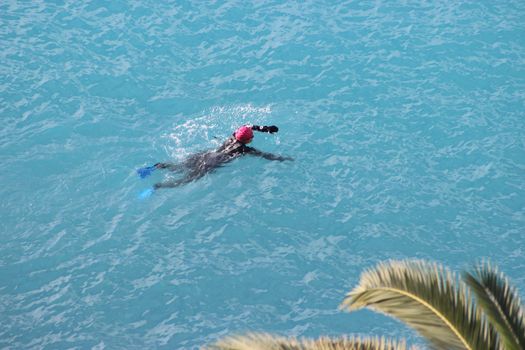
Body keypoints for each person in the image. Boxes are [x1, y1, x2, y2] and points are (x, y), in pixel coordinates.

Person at [137, 125, 292, 197]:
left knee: (178, 166)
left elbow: (246, 126)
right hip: (210, 164)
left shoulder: (233, 136)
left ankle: (152, 168)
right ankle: (156, 187)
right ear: (247, 140)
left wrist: (265, 128)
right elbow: (265, 155)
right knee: (185, 180)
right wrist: (283, 158)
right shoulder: (244, 149)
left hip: (204, 155)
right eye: (252, 136)